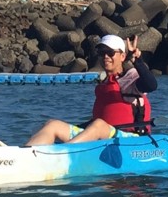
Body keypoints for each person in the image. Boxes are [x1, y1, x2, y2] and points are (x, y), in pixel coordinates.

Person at [25, 34, 156, 145]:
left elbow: (151, 85)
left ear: (122, 56)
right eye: (102, 53)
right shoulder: (104, 83)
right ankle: (25, 155)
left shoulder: (130, 78)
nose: (106, 56)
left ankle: (65, 152)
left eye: (110, 53)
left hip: (131, 139)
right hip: (102, 137)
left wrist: (137, 61)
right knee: (52, 125)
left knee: (99, 125)